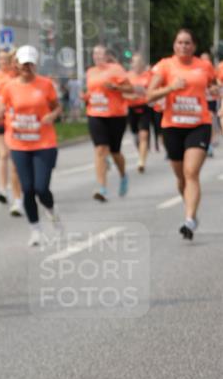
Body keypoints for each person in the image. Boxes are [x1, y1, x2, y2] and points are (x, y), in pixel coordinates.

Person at [147, 29, 217, 240]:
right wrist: (170, 87)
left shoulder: (204, 66)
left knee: (191, 172)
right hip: (173, 126)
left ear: (194, 46)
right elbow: (150, 95)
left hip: (199, 125)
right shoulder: (165, 66)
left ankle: (189, 220)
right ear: (174, 46)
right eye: (180, 43)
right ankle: (190, 207)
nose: (183, 46)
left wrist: (215, 91)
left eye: (187, 43)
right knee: (181, 177)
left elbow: (213, 86)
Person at [0, 46, 62, 246]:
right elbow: (1, 108)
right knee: (28, 189)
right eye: (24, 64)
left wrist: (52, 115)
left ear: (35, 64)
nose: (27, 68)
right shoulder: (9, 87)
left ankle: (51, 211)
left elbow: (57, 106)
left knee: (41, 188)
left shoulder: (46, 84)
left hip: (44, 142)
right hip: (19, 144)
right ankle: (36, 230)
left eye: (30, 64)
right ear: (16, 64)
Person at [83, 44, 133, 201]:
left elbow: (130, 89)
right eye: (94, 54)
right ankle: (102, 188)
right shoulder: (90, 72)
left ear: (106, 56)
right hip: (95, 114)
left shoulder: (116, 69)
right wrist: (85, 96)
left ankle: (123, 175)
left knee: (115, 152)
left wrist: (116, 87)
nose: (97, 57)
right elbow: (92, 92)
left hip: (115, 115)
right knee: (100, 149)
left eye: (100, 54)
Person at [0, 49, 23, 215]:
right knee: (3, 155)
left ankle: (18, 190)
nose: (2, 61)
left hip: (12, 119)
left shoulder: (14, 73)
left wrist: (13, 53)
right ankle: (3, 190)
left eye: (5, 59)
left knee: (13, 157)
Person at [124, 52, 153, 173]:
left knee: (144, 135)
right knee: (136, 135)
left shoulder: (148, 76)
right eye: (135, 62)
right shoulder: (127, 77)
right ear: (131, 64)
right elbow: (122, 93)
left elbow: (153, 91)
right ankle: (141, 149)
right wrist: (131, 97)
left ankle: (141, 161)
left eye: (140, 62)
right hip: (131, 109)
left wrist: (148, 95)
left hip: (145, 108)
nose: (137, 64)